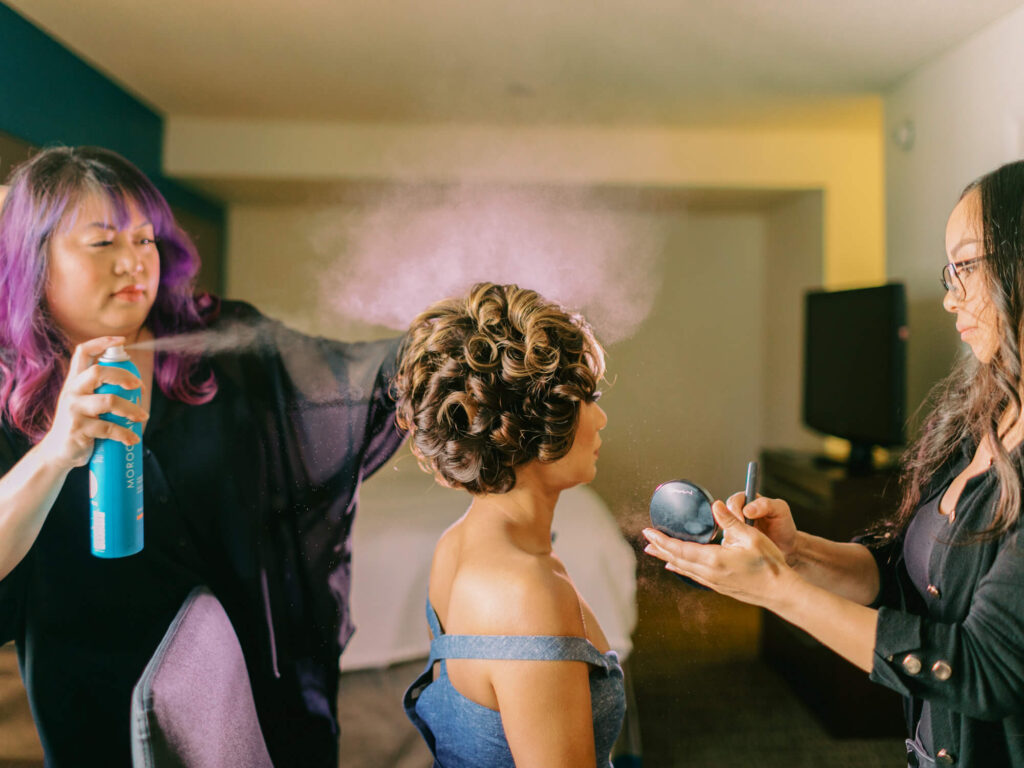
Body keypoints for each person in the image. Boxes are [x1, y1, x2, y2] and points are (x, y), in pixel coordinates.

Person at [0, 146, 405, 767]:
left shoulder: (219, 341)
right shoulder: (10, 394)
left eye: (145, 239)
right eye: (103, 242)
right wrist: (57, 451)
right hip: (97, 707)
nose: (135, 261)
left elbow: (351, 386)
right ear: (33, 262)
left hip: (253, 689)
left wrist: (433, 354)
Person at [644, 159, 1024, 767]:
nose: (951, 297)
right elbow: (906, 584)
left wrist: (778, 590)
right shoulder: (982, 419)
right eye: (947, 271)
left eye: (967, 266)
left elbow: (985, 671)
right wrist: (795, 552)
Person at [393, 283, 625, 767]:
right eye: (586, 397)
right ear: (534, 419)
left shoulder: (455, 544)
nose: (601, 418)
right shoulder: (525, 593)